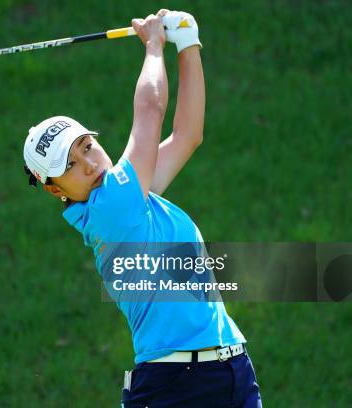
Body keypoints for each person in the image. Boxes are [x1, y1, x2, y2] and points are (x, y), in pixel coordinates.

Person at [22, 9, 261, 408]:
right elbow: (150, 111)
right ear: (54, 190)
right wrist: (153, 46)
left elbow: (188, 136)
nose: (90, 164)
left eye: (86, 147)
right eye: (70, 166)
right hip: (176, 386)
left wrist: (188, 44)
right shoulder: (112, 209)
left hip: (231, 370)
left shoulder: (133, 195)